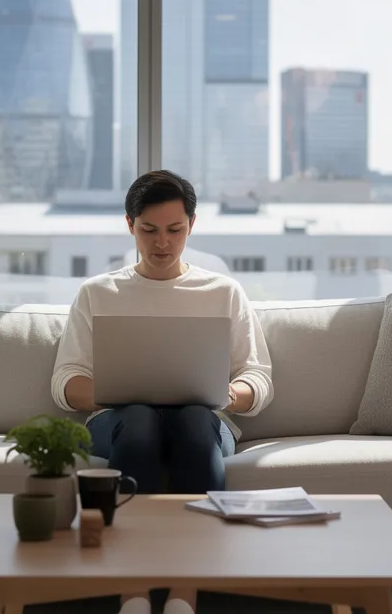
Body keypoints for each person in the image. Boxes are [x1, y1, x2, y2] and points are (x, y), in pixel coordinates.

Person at [50, 170, 273, 614]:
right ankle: (131, 590)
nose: (162, 243)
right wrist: (114, 390)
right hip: (120, 422)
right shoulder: (98, 292)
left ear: (191, 225)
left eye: (175, 230)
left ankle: (184, 592)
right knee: (139, 420)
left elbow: (258, 377)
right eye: (149, 230)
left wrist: (228, 394)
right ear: (130, 225)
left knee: (192, 419)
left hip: (202, 421)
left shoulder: (223, 291)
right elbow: (65, 382)